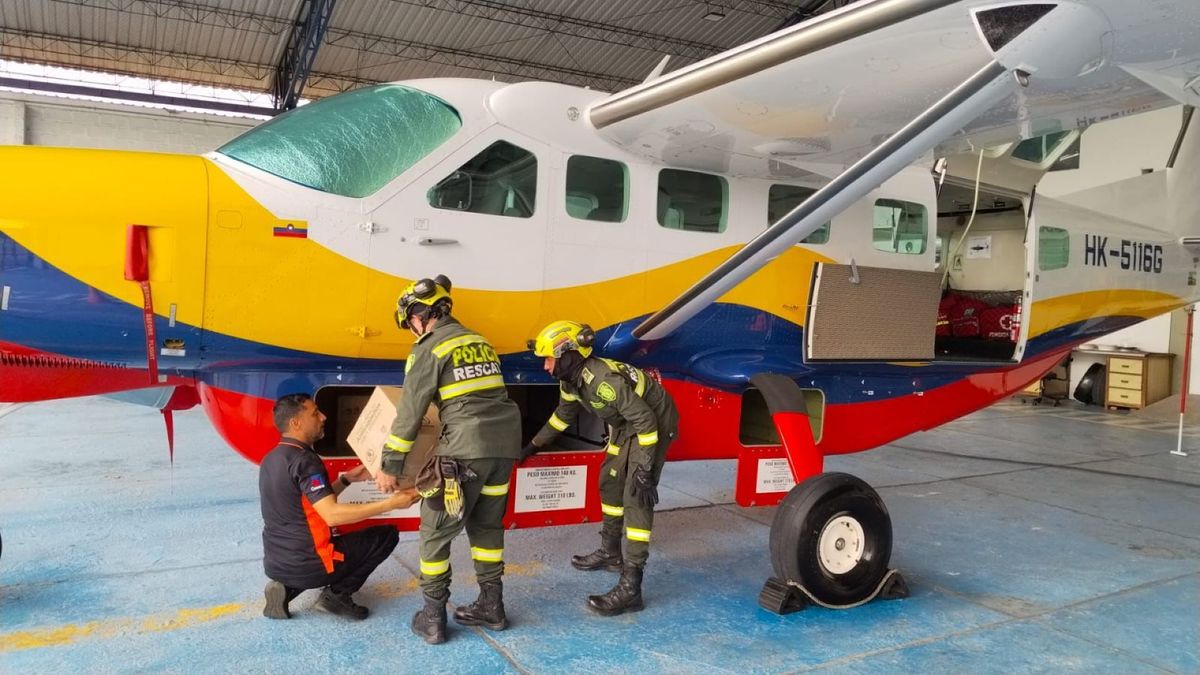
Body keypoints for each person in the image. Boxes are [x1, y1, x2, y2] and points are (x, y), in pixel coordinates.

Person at [376, 275, 522, 645]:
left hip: (464, 450)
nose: (411, 329)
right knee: (486, 528)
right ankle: (492, 606)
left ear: (419, 316)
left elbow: (410, 411)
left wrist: (391, 465)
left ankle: (432, 617)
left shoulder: (430, 347)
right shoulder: (479, 341)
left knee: (435, 531)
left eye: (409, 322)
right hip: (503, 448)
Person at [524, 320, 679, 616]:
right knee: (610, 482)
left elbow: (646, 421)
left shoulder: (602, 381)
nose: (545, 366)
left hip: (653, 424)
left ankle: (631, 587)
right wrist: (532, 445)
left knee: (636, 496)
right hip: (628, 424)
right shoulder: (570, 380)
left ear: (568, 355)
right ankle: (610, 553)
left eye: (549, 359)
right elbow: (563, 416)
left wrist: (645, 469)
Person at [259, 393, 419, 621]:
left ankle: (287, 587)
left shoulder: (272, 458)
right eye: (315, 413)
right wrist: (391, 503)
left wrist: (346, 480)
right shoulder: (305, 461)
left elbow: (306, 503)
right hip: (311, 563)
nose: (323, 417)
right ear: (296, 423)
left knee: (312, 553)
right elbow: (332, 515)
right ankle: (337, 595)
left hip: (277, 563)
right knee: (385, 536)